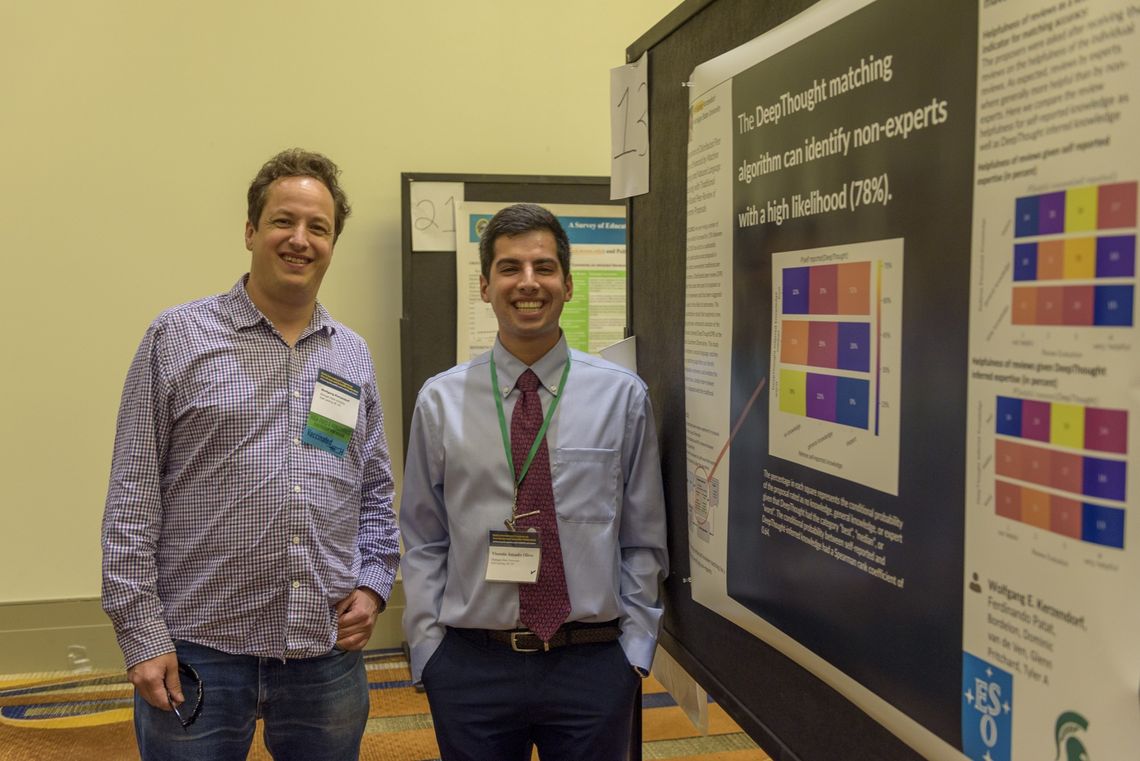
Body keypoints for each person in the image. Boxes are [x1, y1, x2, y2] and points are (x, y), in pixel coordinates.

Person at [101, 148, 400, 761]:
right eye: (283, 221)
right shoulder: (176, 337)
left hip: (323, 650)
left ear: (332, 243)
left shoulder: (350, 355)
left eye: (318, 227)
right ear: (250, 231)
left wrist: (372, 587)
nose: (300, 240)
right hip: (198, 648)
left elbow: (373, 488)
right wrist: (141, 633)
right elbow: (133, 495)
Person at [400, 202, 668, 760]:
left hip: (592, 664)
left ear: (567, 284)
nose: (528, 282)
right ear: (485, 286)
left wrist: (635, 650)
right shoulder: (440, 401)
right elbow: (423, 536)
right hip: (472, 667)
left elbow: (643, 536)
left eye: (544, 267)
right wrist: (428, 648)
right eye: (509, 268)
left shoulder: (622, 397)